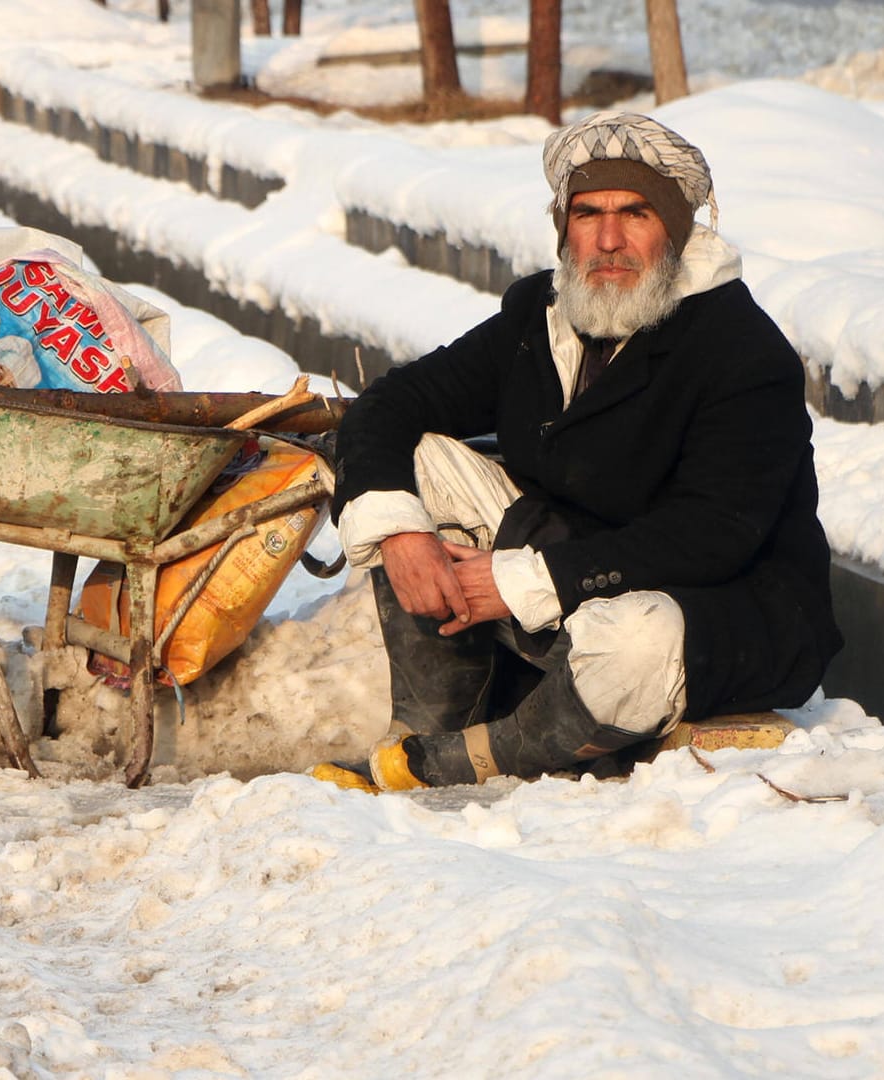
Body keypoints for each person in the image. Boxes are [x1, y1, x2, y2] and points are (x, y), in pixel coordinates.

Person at [314, 111, 843, 792]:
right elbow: (391, 404)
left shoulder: (743, 352)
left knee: (632, 644)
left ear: (677, 229)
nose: (609, 240)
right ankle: (427, 726)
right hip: (571, 567)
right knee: (413, 466)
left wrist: (522, 580)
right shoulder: (540, 314)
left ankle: (459, 761)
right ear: (564, 226)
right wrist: (405, 533)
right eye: (588, 214)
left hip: (714, 608)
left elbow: (713, 536)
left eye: (636, 214)